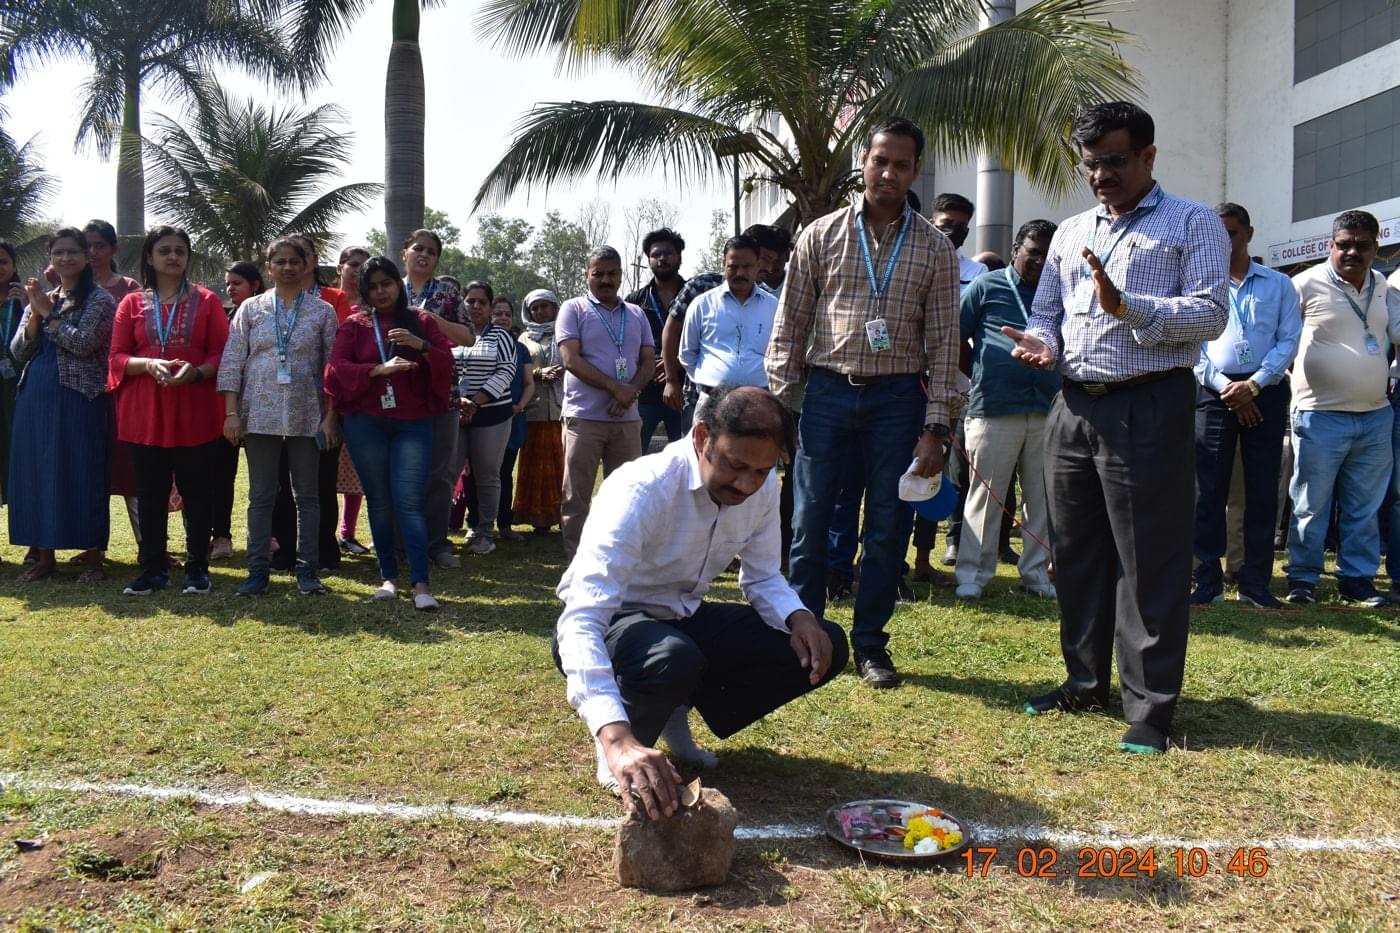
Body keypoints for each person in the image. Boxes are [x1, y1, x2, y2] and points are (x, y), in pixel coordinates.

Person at [1003, 101, 1229, 755]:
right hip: (1074, 407)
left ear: (1148, 156)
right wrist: (1043, 344)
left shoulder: (1193, 222)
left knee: (1147, 559)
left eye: (1115, 161)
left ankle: (1150, 707)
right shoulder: (1072, 231)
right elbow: (1047, 313)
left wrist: (1128, 307)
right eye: (1091, 164)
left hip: (1149, 405)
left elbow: (1211, 313)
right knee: (1076, 554)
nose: (1101, 174)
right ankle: (1083, 682)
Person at [554, 386, 847, 818]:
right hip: (615, 622)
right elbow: (582, 618)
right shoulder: (641, 489)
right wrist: (614, 739)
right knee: (672, 657)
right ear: (702, 437)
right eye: (735, 466)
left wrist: (799, 616)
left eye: (762, 471)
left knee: (825, 642)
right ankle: (625, 742)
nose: (747, 484)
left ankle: (674, 707)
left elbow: (763, 576)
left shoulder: (762, 488)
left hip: (680, 617)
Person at [765, 116, 959, 690]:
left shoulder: (935, 248)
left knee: (886, 526)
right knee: (809, 520)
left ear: (915, 170)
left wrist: (937, 427)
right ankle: (803, 636)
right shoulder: (819, 235)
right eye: (880, 161)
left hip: (898, 399)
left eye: (902, 164)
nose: (889, 173)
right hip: (825, 392)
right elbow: (789, 325)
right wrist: (782, 408)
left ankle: (871, 642)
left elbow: (945, 343)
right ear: (863, 164)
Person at [1285, 211, 1400, 607]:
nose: (1352, 252)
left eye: (1362, 245)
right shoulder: (1304, 283)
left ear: (1376, 248)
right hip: (1319, 414)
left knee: (1364, 507)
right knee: (1310, 503)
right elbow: (1283, 338)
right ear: (1330, 245)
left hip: (1375, 414)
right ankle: (1302, 579)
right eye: (1344, 244)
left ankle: (1357, 581)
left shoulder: (1383, 285)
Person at [325, 256, 453, 610]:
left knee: (409, 502)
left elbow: (447, 362)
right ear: (365, 291)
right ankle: (388, 578)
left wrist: (420, 345)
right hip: (367, 423)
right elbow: (335, 370)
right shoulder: (354, 324)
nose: (381, 291)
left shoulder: (421, 321)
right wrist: (377, 369)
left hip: (413, 423)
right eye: (373, 286)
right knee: (379, 502)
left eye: (387, 283)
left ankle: (421, 585)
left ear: (398, 284)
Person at [108, 226, 229, 596]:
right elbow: (116, 357)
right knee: (150, 495)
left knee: (198, 494)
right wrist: (147, 364)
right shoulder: (131, 304)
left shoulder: (207, 300)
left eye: (180, 250)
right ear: (150, 257)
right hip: (145, 414)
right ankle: (153, 569)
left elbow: (222, 353)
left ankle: (197, 568)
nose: (173, 257)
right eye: (165, 250)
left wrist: (198, 372)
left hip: (196, 410)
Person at [1192, 203, 1300, 609]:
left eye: (1231, 234)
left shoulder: (1278, 284)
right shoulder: (1199, 284)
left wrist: (1253, 386)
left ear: (1249, 234)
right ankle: (1207, 581)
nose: (1223, 242)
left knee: (1260, 489)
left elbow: (1288, 340)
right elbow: (1194, 347)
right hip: (1214, 392)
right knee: (1208, 489)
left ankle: (1255, 583)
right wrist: (1229, 389)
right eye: (1215, 235)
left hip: (1264, 391)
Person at [218, 236, 339, 597]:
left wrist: (331, 416)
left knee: (308, 496)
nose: (287, 267)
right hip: (259, 414)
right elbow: (232, 361)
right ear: (268, 267)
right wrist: (231, 413)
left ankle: (308, 570)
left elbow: (332, 369)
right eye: (280, 261)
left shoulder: (322, 312)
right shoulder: (251, 309)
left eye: (294, 261)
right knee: (261, 495)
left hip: (307, 414)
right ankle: (257, 570)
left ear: (306, 265)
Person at [953, 219, 1060, 601]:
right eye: (1034, 253)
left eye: (1048, 256)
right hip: (994, 408)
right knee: (986, 497)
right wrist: (980, 373)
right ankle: (973, 573)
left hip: (1047, 409)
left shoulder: (1060, 291)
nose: (1040, 262)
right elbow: (956, 335)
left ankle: (1035, 574)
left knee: (1042, 499)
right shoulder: (987, 286)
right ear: (1016, 250)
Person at [9, 228, 117, 582]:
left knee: (82, 469)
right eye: (59, 252)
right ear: (50, 257)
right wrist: (36, 314)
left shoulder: (100, 300)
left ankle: (94, 558)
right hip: (35, 395)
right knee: (37, 472)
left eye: (73, 252)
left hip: (80, 396)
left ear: (87, 257)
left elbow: (84, 343)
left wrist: (49, 315)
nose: (66, 258)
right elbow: (18, 351)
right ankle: (44, 556)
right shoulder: (44, 296)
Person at [44, 220, 141, 576]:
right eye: (61, 252)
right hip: (69, 396)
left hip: (116, 390)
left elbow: (91, 343)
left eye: (98, 246)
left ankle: (149, 547)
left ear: (112, 249)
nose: (93, 252)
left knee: (125, 471)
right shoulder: (55, 291)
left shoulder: (126, 290)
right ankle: (78, 546)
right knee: (78, 471)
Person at [557, 247, 656, 559]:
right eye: (598, 273)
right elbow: (570, 359)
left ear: (621, 276)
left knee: (627, 494)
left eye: (612, 273)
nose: (605, 279)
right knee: (576, 494)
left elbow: (648, 361)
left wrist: (630, 393)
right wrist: (616, 389)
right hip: (584, 417)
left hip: (626, 419)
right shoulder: (573, 309)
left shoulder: (636, 313)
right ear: (586, 275)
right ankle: (577, 560)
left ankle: (620, 557)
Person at [401, 228, 470, 570]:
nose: (424, 255)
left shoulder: (448, 293)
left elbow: (468, 337)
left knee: (441, 472)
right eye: (418, 248)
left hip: (443, 393)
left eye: (431, 251)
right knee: (400, 471)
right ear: (405, 253)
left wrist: (434, 320)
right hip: (398, 393)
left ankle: (436, 543)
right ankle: (399, 542)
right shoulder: (388, 289)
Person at [447, 281, 518, 556]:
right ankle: (438, 533)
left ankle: (484, 532)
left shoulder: (501, 335)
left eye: (482, 302)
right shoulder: (451, 331)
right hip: (454, 413)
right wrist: (458, 401)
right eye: (470, 301)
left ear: (490, 307)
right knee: (447, 473)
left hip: (492, 414)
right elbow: (442, 368)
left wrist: (476, 401)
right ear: (462, 303)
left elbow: (506, 371)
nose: (475, 306)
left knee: (487, 474)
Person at [208, 262, 265, 562]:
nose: (230, 288)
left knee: (266, 476)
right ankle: (221, 536)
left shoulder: (269, 314)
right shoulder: (222, 316)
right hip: (227, 409)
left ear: (255, 285)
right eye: (228, 283)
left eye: (237, 283)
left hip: (262, 407)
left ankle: (270, 535)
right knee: (222, 475)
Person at [679, 235, 779, 400]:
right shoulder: (702, 304)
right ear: (724, 264)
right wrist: (707, 380)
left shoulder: (773, 306)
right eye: (733, 266)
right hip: (712, 399)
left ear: (758, 266)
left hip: (758, 400)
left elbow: (779, 352)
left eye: (747, 266)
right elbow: (687, 354)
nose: (740, 273)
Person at [626, 228, 689, 449]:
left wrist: (676, 361)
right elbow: (625, 342)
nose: (662, 258)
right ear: (648, 260)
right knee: (634, 452)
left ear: (679, 257)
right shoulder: (635, 301)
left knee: (686, 455)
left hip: (684, 389)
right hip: (645, 391)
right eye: (656, 254)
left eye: (668, 253)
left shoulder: (695, 296)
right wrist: (648, 364)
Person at [514, 289, 565, 534]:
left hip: (560, 408)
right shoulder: (524, 338)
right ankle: (538, 519)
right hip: (532, 409)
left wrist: (564, 370)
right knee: (534, 466)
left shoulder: (565, 332)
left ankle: (565, 517)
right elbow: (517, 370)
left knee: (562, 466)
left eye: (545, 306)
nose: (540, 311)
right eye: (535, 308)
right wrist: (538, 373)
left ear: (555, 308)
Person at [335, 245, 372, 556]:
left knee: (355, 467)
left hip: (360, 395)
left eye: (364, 265)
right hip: (323, 394)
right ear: (340, 267)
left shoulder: (372, 307)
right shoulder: (326, 301)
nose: (358, 270)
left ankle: (347, 532)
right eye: (354, 264)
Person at [0, 242, 26, 514]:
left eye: (3, 261)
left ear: (14, 265)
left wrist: (28, 306)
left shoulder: (25, 300)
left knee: (19, 453)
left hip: (19, 388)